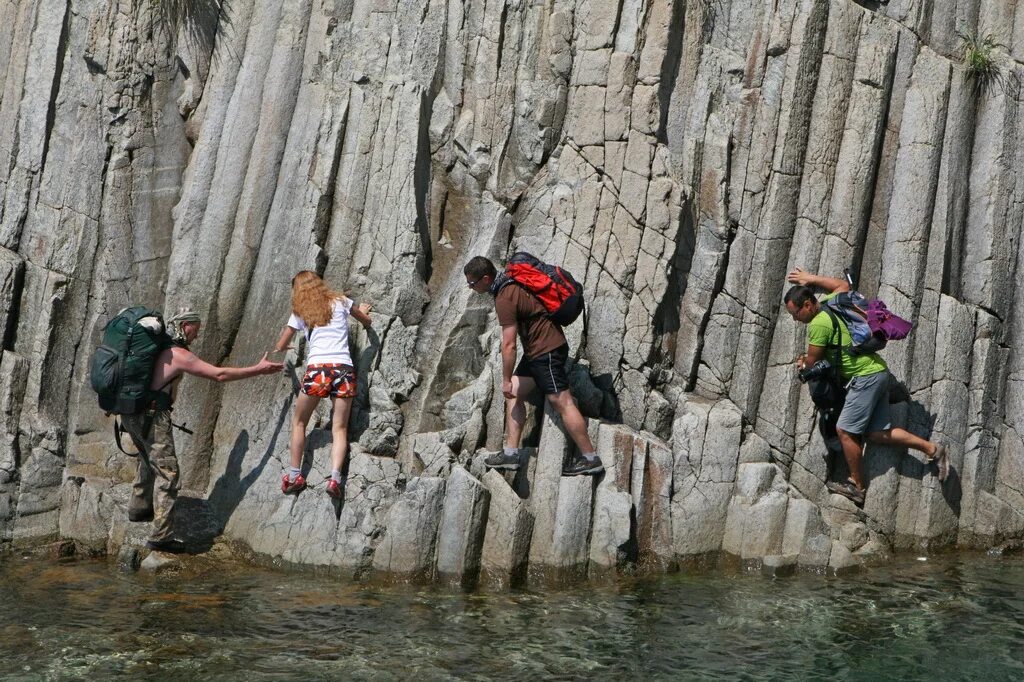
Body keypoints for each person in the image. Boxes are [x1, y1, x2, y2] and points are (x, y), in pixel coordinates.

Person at [121, 308, 283, 552]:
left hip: (131, 412)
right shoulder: (178, 354)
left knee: (147, 458)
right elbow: (219, 374)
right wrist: (258, 369)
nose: (196, 336)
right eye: (195, 330)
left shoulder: (154, 350)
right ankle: (161, 537)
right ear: (185, 325)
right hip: (153, 415)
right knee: (169, 473)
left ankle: (138, 508)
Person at [784, 268, 949, 506]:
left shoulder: (818, 324)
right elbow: (842, 285)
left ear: (808, 305)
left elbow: (812, 361)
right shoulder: (831, 302)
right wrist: (810, 279)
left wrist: (802, 362)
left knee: (845, 430)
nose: (795, 318)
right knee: (876, 434)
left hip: (865, 378)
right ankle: (934, 450)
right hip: (878, 372)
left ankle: (856, 485)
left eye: (796, 313)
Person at [463, 256, 603, 476]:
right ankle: (511, 454)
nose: (471, 288)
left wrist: (506, 379)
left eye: (472, 284)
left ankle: (590, 458)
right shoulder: (512, 281)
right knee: (514, 393)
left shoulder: (504, 298)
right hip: (538, 351)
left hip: (546, 351)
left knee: (561, 401)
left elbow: (509, 346)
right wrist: (511, 385)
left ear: (486, 278)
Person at [271, 271, 372, 498]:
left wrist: (283, 350)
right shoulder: (340, 301)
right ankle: (335, 480)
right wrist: (363, 313)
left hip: (318, 371)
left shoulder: (300, 312)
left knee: (299, 423)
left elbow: (281, 344)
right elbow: (365, 320)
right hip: (344, 370)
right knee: (340, 428)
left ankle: (295, 476)